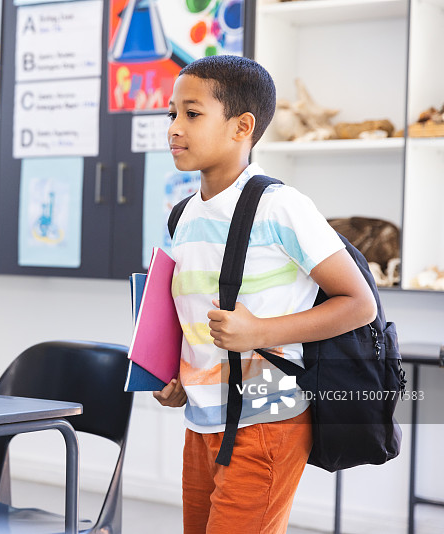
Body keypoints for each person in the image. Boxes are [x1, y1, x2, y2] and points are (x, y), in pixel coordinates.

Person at [152, 55, 377, 533]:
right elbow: (194, 318)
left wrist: (259, 331)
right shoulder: (183, 215)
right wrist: (174, 374)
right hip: (202, 421)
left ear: (242, 127)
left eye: (191, 113)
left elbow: (359, 304)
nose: (174, 127)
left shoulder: (282, 207)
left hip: (267, 421)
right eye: (171, 113)